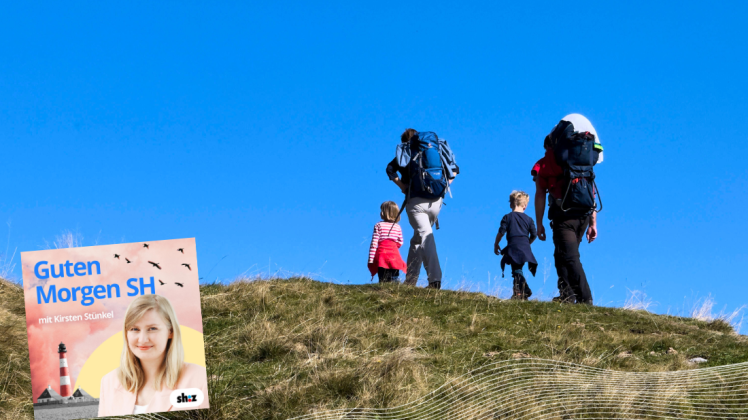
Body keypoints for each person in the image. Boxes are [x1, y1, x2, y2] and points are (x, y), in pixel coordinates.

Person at [98, 295, 209, 416]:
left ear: (170, 332)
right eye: (134, 329)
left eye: (152, 328)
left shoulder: (200, 380)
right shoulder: (109, 381)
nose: (142, 339)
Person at [532, 114, 600, 304]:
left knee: (570, 257)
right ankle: (567, 295)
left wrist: (539, 224)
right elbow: (590, 190)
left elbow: (540, 194)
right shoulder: (580, 161)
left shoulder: (544, 163)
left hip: (564, 217)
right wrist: (593, 223)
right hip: (584, 215)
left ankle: (585, 299)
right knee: (561, 254)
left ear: (549, 145)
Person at [386, 128, 459, 289]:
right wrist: (444, 188)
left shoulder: (407, 151)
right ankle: (410, 282)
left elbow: (389, 169)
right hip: (436, 202)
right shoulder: (435, 149)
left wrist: (402, 186)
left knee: (426, 235)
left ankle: (435, 280)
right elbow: (455, 170)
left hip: (416, 202)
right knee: (417, 240)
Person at [493, 190, 538, 300]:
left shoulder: (507, 217)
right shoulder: (529, 219)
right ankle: (518, 294)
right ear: (525, 205)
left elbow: (501, 232)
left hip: (513, 247)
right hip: (525, 248)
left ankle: (524, 289)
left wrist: (496, 243)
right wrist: (527, 243)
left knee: (516, 270)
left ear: (511, 204)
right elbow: (534, 234)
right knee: (517, 269)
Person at [367, 201, 407, 283]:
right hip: (394, 254)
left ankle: (383, 292)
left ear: (384, 213)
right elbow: (400, 242)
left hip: (382, 255)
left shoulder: (378, 225)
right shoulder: (397, 227)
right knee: (394, 276)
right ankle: (395, 291)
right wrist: (393, 247)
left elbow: (374, 243)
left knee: (383, 277)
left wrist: (371, 259)